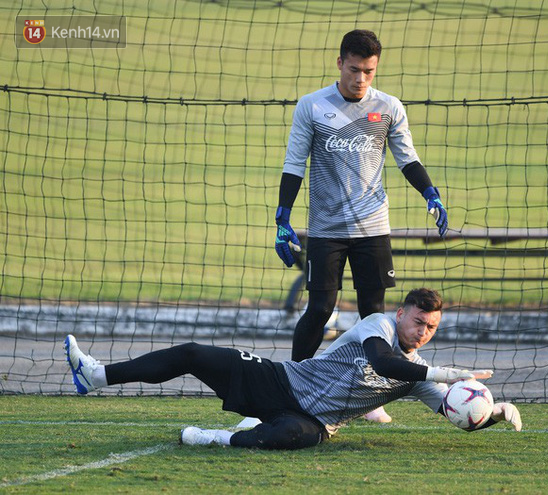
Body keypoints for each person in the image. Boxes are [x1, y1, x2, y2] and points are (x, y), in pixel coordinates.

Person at [64, 288, 522, 450]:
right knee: (192, 352)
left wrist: (492, 413)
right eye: (418, 321)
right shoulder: (375, 326)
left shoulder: (417, 369)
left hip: (314, 420)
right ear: (402, 314)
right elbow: (383, 362)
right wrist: (443, 373)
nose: (423, 331)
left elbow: (454, 414)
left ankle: (214, 439)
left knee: (292, 438)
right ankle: (95, 375)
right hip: (280, 379)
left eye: (432, 327)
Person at [274, 31, 448, 420]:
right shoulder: (312, 106)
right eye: (354, 69)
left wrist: (430, 193)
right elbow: (293, 163)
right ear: (340, 63)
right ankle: (290, 384)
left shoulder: (388, 107)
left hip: (373, 227)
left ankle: (368, 396)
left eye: (369, 71)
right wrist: (283, 217)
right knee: (320, 308)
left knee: (374, 314)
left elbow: (407, 158)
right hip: (326, 228)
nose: (361, 79)